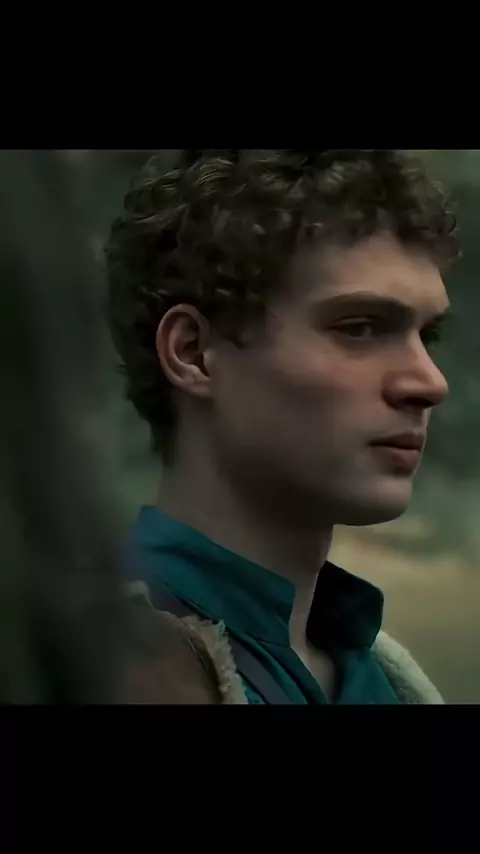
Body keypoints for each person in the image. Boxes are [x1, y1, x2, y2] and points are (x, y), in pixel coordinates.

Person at [105, 149, 459, 704]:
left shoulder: (380, 680)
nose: (430, 382)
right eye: (360, 328)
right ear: (193, 353)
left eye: (427, 335)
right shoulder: (91, 666)